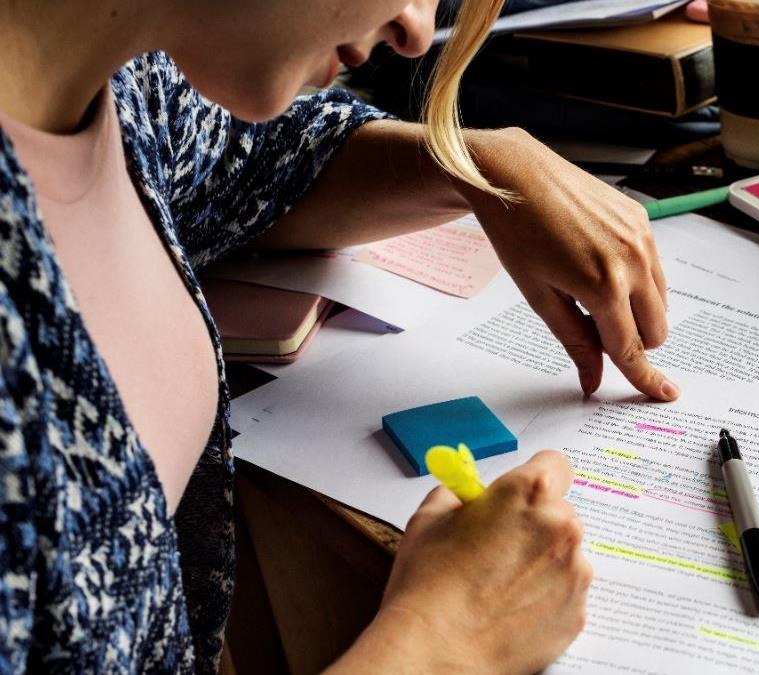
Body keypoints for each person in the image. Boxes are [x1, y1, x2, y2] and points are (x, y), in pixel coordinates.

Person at [0, 0, 678, 671]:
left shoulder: (124, 81)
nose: (416, 32)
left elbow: (257, 159)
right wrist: (442, 640)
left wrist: (484, 169)